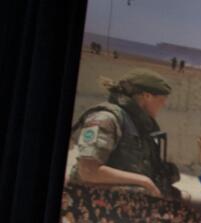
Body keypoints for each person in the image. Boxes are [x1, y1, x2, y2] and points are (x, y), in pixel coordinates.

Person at [67, 69, 181, 198]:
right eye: (161, 99)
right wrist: (144, 181)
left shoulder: (140, 124)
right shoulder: (107, 119)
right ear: (147, 96)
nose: (164, 104)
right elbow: (88, 171)